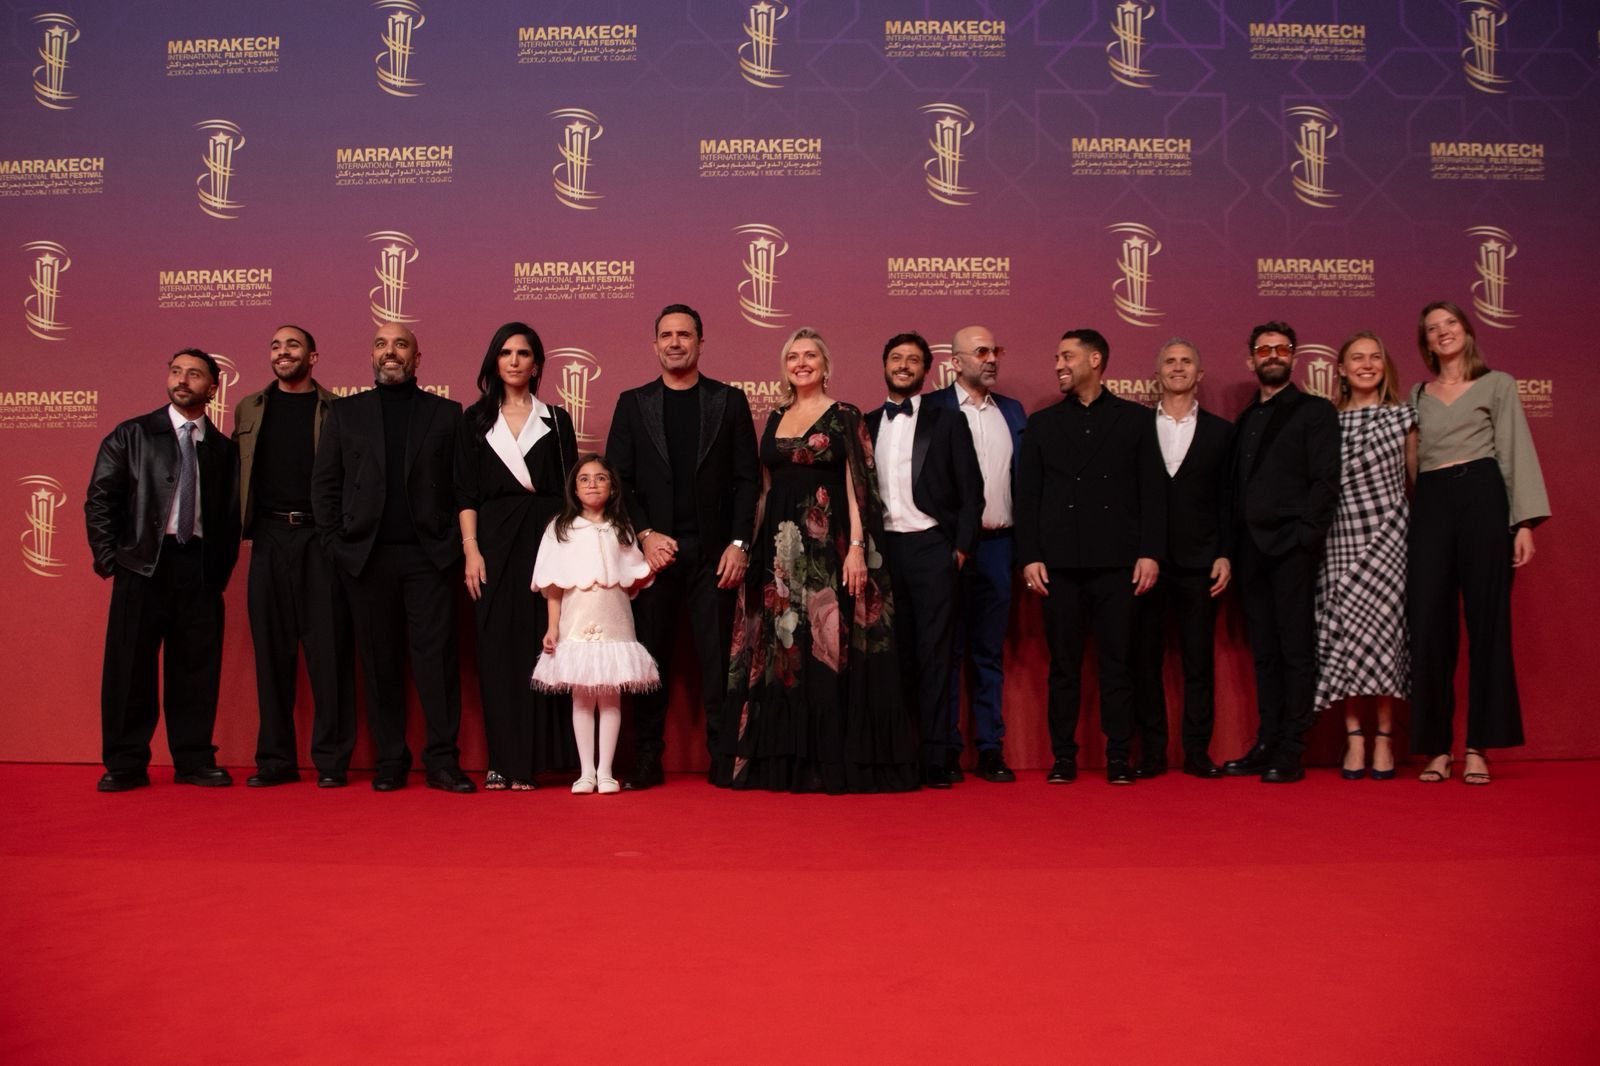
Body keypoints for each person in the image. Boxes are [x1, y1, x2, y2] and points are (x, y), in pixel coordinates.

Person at [715, 327, 918, 793]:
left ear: (826, 365)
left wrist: (857, 549)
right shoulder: (775, 416)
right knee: (783, 655)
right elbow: (764, 490)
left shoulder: (845, 415)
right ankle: (784, 759)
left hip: (828, 551)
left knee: (826, 650)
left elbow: (859, 485)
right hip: (778, 555)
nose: (801, 363)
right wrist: (747, 546)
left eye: (810, 356)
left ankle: (828, 761)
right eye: (793, 357)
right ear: (785, 367)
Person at [311, 322, 475, 793]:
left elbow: (464, 485)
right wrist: (336, 545)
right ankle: (389, 760)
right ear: (372, 356)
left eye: (401, 344)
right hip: (366, 560)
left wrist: (453, 547)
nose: (390, 351)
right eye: (381, 344)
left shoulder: (447, 414)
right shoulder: (345, 413)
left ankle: (442, 761)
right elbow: (325, 485)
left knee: (436, 664)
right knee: (379, 664)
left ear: (416, 358)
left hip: (430, 559)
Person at [606, 304, 760, 789]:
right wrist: (646, 535)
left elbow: (747, 480)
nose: (675, 342)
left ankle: (724, 756)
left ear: (700, 342)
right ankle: (647, 758)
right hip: (652, 559)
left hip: (715, 557)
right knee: (649, 662)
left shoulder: (728, 401)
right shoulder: (633, 403)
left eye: (685, 334)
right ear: (655, 344)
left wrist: (739, 543)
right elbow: (618, 481)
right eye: (667, 335)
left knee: (718, 664)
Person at [85, 349, 241, 791]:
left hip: (200, 569)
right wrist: (112, 559)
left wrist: (218, 571)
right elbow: (100, 500)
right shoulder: (132, 435)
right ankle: (125, 763)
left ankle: (193, 759)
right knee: (129, 668)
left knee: (196, 670)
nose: (182, 380)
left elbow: (230, 517)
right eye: (176, 372)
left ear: (213, 388)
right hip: (142, 565)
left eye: (194, 374)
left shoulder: (224, 450)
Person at [1408, 301, 1549, 785]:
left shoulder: (1498, 384)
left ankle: (1477, 747)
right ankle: (1436, 747)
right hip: (1431, 503)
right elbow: (1410, 463)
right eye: (1433, 328)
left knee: (1489, 622)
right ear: (1426, 343)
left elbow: (1513, 449)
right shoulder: (1417, 394)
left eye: (1450, 323)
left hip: (1483, 497)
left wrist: (1523, 522)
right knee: (1429, 624)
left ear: (1467, 331)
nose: (1443, 332)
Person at [1018, 329, 1165, 785]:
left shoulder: (1135, 420)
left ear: (1095, 360)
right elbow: (1028, 495)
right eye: (1057, 357)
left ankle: (1119, 754)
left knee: (1117, 665)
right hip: (1059, 565)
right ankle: (1063, 756)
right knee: (1063, 668)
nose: (1058, 365)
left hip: (1119, 564)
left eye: (1067, 356)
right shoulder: (1042, 423)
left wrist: (1150, 552)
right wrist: (1030, 555)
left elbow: (1152, 492)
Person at [232, 325, 357, 788]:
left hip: (319, 538)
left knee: (329, 654)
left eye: (293, 345)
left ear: (313, 356)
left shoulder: (336, 409)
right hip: (267, 538)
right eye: (275, 345)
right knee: (271, 653)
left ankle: (332, 761)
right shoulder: (249, 407)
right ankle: (275, 760)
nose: (282, 352)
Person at [458, 322, 579, 790]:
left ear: (536, 364)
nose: (513, 361)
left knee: (542, 645)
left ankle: (535, 761)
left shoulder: (557, 420)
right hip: (491, 542)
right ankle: (501, 761)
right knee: (496, 650)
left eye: (523, 353)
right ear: (494, 361)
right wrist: (471, 549)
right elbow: (465, 493)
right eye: (505, 352)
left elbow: (571, 493)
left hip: (546, 540)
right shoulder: (473, 420)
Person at [1223, 321, 1340, 783]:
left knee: (1295, 649)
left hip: (1292, 548)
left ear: (1294, 357)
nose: (1273, 355)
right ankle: (1267, 741)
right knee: (1265, 652)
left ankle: (1292, 748)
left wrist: (1306, 538)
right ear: (1251, 359)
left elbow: (1325, 480)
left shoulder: (1315, 411)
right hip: (1250, 550)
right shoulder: (1245, 420)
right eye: (1264, 349)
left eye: (1281, 348)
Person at [865, 332, 983, 788]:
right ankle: (895, 756)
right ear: (884, 365)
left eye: (913, 359)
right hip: (882, 553)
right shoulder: (865, 423)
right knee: (890, 656)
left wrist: (960, 550)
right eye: (896, 358)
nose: (903, 365)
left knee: (935, 655)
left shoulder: (949, 421)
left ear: (926, 370)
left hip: (932, 548)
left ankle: (935, 757)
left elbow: (972, 494)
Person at [924, 324, 1027, 782]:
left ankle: (990, 749)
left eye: (995, 350)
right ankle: (944, 747)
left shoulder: (1013, 411)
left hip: (1000, 547)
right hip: (947, 551)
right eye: (981, 351)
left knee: (988, 653)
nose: (991, 359)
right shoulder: (931, 409)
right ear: (956, 361)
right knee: (944, 652)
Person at [1315, 332, 1417, 781]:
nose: (1367, 364)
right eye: (1357, 358)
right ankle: (1354, 736)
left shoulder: (1404, 417)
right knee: (1346, 635)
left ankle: (1385, 738)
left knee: (1384, 635)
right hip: (1339, 537)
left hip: (1389, 537)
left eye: (1375, 357)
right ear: (1340, 369)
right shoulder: (1327, 422)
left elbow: (1418, 479)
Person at [1131, 337, 1234, 779]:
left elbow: (1229, 500)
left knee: (1198, 663)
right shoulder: (1136, 427)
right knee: (1145, 662)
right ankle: (1152, 754)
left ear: (1199, 373)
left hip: (1200, 562)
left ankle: (1196, 752)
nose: (1177, 367)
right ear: (1158, 374)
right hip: (1146, 563)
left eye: (1186, 361)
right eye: (1170, 361)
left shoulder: (1222, 432)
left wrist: (1225, 553)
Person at [532, 455, 660, 794]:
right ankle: (586, 772)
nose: (592, 484)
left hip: (615, 620)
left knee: (611, 696)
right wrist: (552, 627)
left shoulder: (622, 528)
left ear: (613, 487)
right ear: (574, 488)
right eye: (584, 479)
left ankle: (606, 772)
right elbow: (553, 585)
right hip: (577, 620)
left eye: (601, 478)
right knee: (582, 697)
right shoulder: (560, 528)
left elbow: (634, 574)